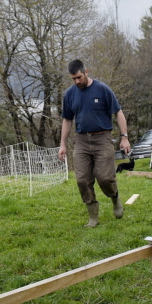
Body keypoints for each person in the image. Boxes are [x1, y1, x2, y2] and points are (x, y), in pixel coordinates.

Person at [58, 59, 131, 227]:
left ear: (86, 72)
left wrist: (124, 137)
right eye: (73, 79)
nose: (77, 82)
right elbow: (67, 120)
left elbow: (118, 113)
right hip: (82, 141)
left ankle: (114, 198)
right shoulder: (70, 94)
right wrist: (62, 144)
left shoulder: (102, 89)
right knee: (82, 180)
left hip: (102, 139)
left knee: (105, 178)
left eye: (79, 77)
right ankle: (93, 216)